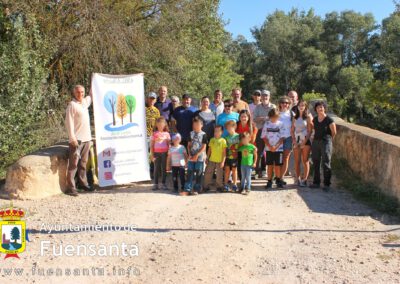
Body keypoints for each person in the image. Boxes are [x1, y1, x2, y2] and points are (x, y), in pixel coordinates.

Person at [65, 85, 93, 196]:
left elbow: (91, 95)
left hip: (87, 139)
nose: (80, 94)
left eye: (82, 92)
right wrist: (72, 138)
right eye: (78, 92)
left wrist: (94, 78)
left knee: (83, 164)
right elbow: (69, 123)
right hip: (77, 141)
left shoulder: (85, 103)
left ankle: (83, 184)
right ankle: (71, 188)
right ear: (74, 93)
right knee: (73, 165)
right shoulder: (72, 105)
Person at [310, 101, 337, 191]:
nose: (320, 109)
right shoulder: (315, 119)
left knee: (326, 162)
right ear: (316, 109)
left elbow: (334, 132)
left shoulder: (329, 120)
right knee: (316, 162)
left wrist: (328, 140)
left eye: (321, 107)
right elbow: (314, 130)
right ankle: (316, 182)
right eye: (318, 107)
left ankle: (326, 184)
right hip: (316, 142)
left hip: (326, 142)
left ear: (324, 108)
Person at [253, 90, 276, 178]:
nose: (265, 97)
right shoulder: (258, 107)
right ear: (261, 97)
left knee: (271, 151)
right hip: (261, 130)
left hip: (272, 131)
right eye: (263, 96)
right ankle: (257, 170)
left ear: (269, 97)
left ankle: (269, 172)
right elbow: (255, 119)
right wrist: (266, 118)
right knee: (259, 152)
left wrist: (262, 118)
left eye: (266, 96)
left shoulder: (273, 106)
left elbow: (275, 118)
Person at [182, 117, 208, 196]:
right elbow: (188, 145)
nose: (196, 126)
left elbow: (204, 147)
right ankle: (187, 189)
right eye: (194, 124)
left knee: (199, 173)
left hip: (199, 158)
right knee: (190, 173)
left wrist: (197, 155)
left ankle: (197, 189)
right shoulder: (191, 133)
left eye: (198, 124)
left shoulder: (204, 134)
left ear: (201, 125)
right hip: (191, 157)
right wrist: (189, 154)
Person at [291, 99, 313, 187]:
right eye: (300, 105)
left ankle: (305, 179)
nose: (301, 107)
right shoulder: (294, 117)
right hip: (296, 141)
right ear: (297, 106)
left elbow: (309, 131)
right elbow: (292, 130)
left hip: (305, 141)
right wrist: (294, 141)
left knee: (305, 160)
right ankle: (298, 179)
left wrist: (304, 141)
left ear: (305, 107)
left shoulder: (308, 117)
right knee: (297, 161)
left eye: (303, 105)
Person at [261, 108, 285, 189]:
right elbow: (264, 136)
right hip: (269, 149)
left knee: (278, 165)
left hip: (279, 149)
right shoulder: (266, 124)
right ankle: (269, 181)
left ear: (278, 117)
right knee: (270, 165)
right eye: (272, 117)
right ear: (270, 116)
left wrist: (276, 146)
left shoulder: (281, 124)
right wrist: (270, 146)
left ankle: (278, 180)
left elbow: (282, 137)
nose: (274, 119)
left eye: (276, 117)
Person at [203, 125, 227, 192]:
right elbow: (209, 150)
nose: (216, 133)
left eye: (218, 131)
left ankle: (219, 186)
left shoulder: (223, 141)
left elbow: (224, 153)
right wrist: (207, 158)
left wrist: (223, 162)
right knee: (208, 173)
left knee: (219, 174)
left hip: (219, 161)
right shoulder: (212, 140)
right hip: (211, 160)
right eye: (215, 131)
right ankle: (206, 185)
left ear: (221, 132)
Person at [278, 96, 295, 184]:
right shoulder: (276, 113)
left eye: (287, 103)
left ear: (289, 105)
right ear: (280, 104)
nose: (285, 104)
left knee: (285, 158)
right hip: (277, 138)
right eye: (283, 102)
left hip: (288, 138)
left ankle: (281, 177)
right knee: (276, 158)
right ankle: (276, 176)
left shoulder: (292, 114)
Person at [150, 117, 171, 191]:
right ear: (156, 125)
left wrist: (169, 152)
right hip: (156, 153)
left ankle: (163, 183)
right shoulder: (154, 134)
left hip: (165, 153)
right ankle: (155, 184)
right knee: (156, 168)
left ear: (165, 125)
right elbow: (152, 145)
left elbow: (169, 144)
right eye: (158, 125)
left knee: (164, 169)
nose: (160, 126)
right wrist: (152, 155)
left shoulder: (167, 134)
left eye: (162, 124)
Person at [236, 109, 257, 180]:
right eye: (242, 116)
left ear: (248, 117)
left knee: (248, 167)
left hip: (249, 149)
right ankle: (242, 183)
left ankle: (248, 184)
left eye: (245, 116)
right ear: (239, 117)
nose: (243, 118)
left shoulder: (253, 126)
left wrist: (243, 143)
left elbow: (252, 140)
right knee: (240, 166)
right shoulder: (237, 125)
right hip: (239, 148)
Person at [145, 92, 161, 179]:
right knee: (145, 155)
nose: (151, 100)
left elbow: (158, 124)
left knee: (153, 155)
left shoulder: (156, 111)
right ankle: (145, 173)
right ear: (147, 99)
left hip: (153, 136)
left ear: (155, 100)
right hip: (143, 136)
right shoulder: (142, 109)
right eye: (150, 98)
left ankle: (152, 172)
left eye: (153, 99)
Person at [223, 120, 240, 192]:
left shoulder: (238, 136)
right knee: (227, 170)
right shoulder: (226, 138)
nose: (229, 129)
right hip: (227, 157)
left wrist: (236, 151)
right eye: (227, 128)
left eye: (230, 128)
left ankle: (235, 184)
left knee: (234, 170)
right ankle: (226, 184)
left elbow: (240, 146)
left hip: (235, 157)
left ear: (234, 127)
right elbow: (225, 148)